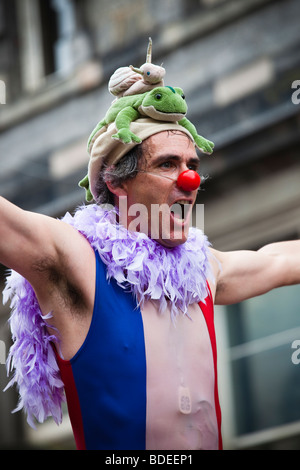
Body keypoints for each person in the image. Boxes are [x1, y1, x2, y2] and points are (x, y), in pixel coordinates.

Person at [1, 90, 300, 451]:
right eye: (167, 165)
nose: (189, 181)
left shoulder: (204, 270)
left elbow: (277, 260)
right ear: (116, 181)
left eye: (192, 165)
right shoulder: (76, 261)